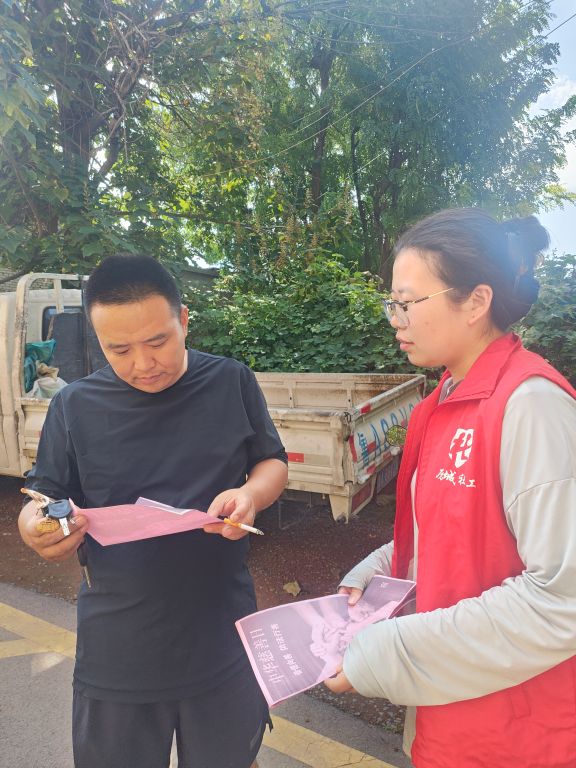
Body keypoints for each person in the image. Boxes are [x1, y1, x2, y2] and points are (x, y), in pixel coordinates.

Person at [325, 208, 576, 768]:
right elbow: (449, 530)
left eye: (408, 302)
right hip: (450, 717)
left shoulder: (532, 406)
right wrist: (382, 570)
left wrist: (388, 652)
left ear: (477, 301)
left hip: (519, 733)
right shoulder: (440, 403)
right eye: (392, 303)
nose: (396, 319)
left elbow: (563, 598)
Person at [18, 254, 288, 768]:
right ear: (99, 340)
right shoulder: (74, 406)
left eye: (158, 341)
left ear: (183, 320)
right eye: (119, 349)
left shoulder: (230, 380)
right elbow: (43, 497)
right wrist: (37, 528)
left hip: (222, 631)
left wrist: (251, 495)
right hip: (119, 646)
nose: (143, 363)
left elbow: (270, 460)